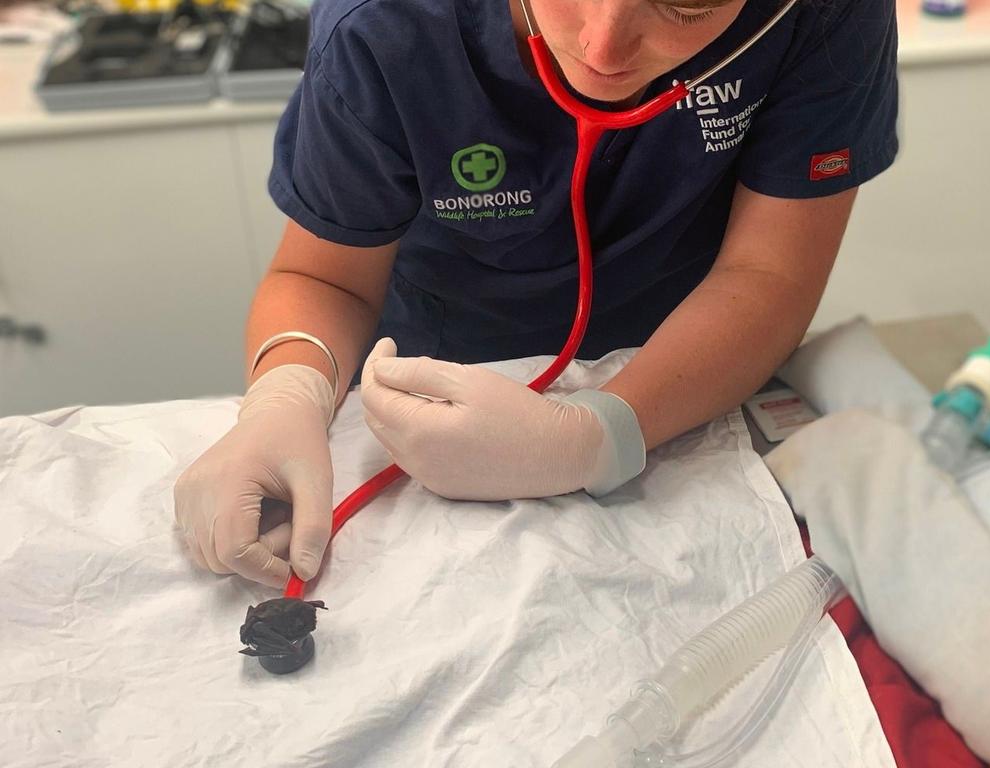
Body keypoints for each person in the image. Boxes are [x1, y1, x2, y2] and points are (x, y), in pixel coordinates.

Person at [174, 0, 899, 587]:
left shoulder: (825, 14)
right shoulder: (389, 25)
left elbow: (768, 277)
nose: (604, 47)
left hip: (687, 376)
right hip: (441, 384)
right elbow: (321, 277)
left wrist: (596, 437)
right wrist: (285, 396)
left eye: (686, 5)